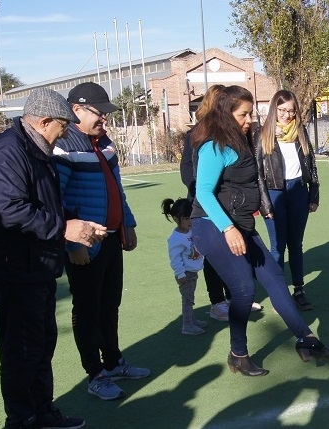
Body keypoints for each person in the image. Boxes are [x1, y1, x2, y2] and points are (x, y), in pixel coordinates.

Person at [190, 85, 329, 377]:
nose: (249, 120)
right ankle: (238, 354)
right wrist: (229, 228)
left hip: (241, 225)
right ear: (226, 114)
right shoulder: (214, 146)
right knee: (244, 289)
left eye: (250, 114)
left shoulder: (241, 141)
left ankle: (306, 339)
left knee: (274, 278)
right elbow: (204, 192)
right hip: (212, 226)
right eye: (243, 115)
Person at [0, 87, 108, 429]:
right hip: (17, 271)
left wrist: (76, 222)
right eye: (63, 125)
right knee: (22, 350)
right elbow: (10, 210)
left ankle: (42, 412)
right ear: (45, 122)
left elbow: (47, 205)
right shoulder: (9, 151)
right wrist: (64, 229)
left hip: (39, 267)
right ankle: (22, 419)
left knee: (42, 345)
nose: (66, 132)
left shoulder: (37, 148)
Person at [53, 82, 150, 401]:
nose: (104, 119)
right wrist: (73, 244)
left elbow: (117, 188)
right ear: (76, 110)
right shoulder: (64, 145)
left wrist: (127, 223)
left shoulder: (104, 142)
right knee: (87, 309)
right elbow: (56, 200)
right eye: (99, 113)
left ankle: (114, 362)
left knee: (109, 305)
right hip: (84, 245)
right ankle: (95, 374)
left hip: (110, 239)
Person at [180, 84, 263, 320]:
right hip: (206, 208)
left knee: (235, 257)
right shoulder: (201, 135)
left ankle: (234, 297)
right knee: (214, 258)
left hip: (228, 206)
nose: (247, 119)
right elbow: (190, 173)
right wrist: (201, 190)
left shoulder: (233, 135)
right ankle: (217, 301)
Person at [255, 89, 320, 311]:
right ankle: (279, 294)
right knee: (277, 246)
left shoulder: (300, 131)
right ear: (274, 109)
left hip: (298, 190)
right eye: (282, 110)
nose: (287, 115)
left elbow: (311, 164)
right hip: (274, 193)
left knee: (296, 244)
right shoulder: (263, 134)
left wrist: (314, 193)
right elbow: (257, 172)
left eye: (291, 111)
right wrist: (264, 204)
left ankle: (299, 290)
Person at [161, 197, 209, 335]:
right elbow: (175, 259)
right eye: (186, 219)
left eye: (191, 218)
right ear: (176, 219)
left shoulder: (190, 231)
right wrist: (180, 274)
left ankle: (192, 320)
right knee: (187, 300)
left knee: (190, 298)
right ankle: (187, 325)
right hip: (185, 274)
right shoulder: (176, 238)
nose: (190, 222)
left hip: (193, 272)